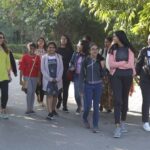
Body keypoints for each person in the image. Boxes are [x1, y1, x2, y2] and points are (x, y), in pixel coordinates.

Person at [107, 30, 136, 138]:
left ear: (120, 37)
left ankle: (123, 122)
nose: (113, 38)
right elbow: (111, 64)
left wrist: (118, 65)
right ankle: (117, 126)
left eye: (114, 36)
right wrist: (123, 63)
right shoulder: (112, 49)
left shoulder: (129, 49)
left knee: (124, 100)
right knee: (118, 100)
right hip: (116, 76)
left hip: (127, 76)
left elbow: (130, 64)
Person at [80, 43, 104, 133]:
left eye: (96, 49)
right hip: (88, 85)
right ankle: (85, 118)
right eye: (92, 49)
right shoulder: (86, 61)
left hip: (98, 85)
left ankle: (95, 125)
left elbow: (103, 74)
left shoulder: (100, 61)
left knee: (96, 106)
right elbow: (82, 75)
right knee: (88, 106)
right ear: (90, 51)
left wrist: (103, 67)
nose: (94, 51)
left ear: (98, 50)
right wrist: (81, 88)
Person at [41, 41, 63, 120]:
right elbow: (43, 70)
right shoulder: (44, 57)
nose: (51, 49)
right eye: (50, 47)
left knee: (55, 96)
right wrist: (50, 79)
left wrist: (57, 78)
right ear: (47, 48)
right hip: (48, 80)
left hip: (57, 80)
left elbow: (61, 68)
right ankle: (50, 112)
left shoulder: (59, 57)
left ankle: (53, 110)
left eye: (53, 47)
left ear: (55, 48)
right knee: (49, 95)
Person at [19, 42, 41, 114]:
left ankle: (31, 108)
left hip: (35, 77)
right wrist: (20, 79)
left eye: (33, 48)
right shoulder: (25, 57)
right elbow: (21, 68)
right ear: (28, 48)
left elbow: (39, 69)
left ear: (35, 49)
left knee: (32, 93)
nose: (32, 49)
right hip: (26, 77)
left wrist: (39, 79)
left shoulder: (37, 57)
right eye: (30, 48)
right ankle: (28, 109)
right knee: (29, 92)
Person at [69, 40, 89, 115]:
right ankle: (79, 106)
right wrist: (71, 67)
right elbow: (70, 62)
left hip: (85, 77)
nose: (77, 45)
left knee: (84, 93)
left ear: (83, 46)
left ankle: (85, 107)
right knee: (77, 94)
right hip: (76, 76)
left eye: (79, 44)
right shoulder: (75, 54)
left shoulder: (87, 55)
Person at [136, 34, 150, 132]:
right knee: (146, 99)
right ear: (148, 41)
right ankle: (145, 121)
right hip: (145, 78)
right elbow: (139, 64)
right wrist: (135, 75)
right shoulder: (144, 51)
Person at [56, 35, 74, 112]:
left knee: (66, 89)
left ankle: (65, 105)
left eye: (65, 39)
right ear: (60, 40)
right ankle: (59, 99)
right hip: (58, 71)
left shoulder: (70, 50)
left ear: (67, 40)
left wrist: (72, 68)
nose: (63, 40)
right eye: (62, 39)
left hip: (67, 71)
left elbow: (73, 61)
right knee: (59, 88)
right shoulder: (57, 50)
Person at [100, 36, 113, 112]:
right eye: (105, 42)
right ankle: (101, 104)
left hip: (111, 74)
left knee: (110, 91)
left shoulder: (113, 51)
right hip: (103, 74)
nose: (106, 43)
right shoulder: (102, 51)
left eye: (107, 42)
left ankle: (109, 106)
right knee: (102, 90)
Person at [0, 32, 11, 119]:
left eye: (2, 38)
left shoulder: (6, 50)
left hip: (4, 77)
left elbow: (8, 63)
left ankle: (3, 109)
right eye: (0, 37)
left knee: (5, 94)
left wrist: (9, 74)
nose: (1, 39)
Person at [35, 37, 47, 106]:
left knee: (42, 85)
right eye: (39, 41)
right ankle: (38, 96)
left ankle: (42, 100)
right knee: (36, 86)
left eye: (42, 41)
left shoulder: (46, 51)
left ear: (44, 43)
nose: (40, 42)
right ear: (37, 42)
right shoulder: (35, 51)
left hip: (43, 71)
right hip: (36, 71)